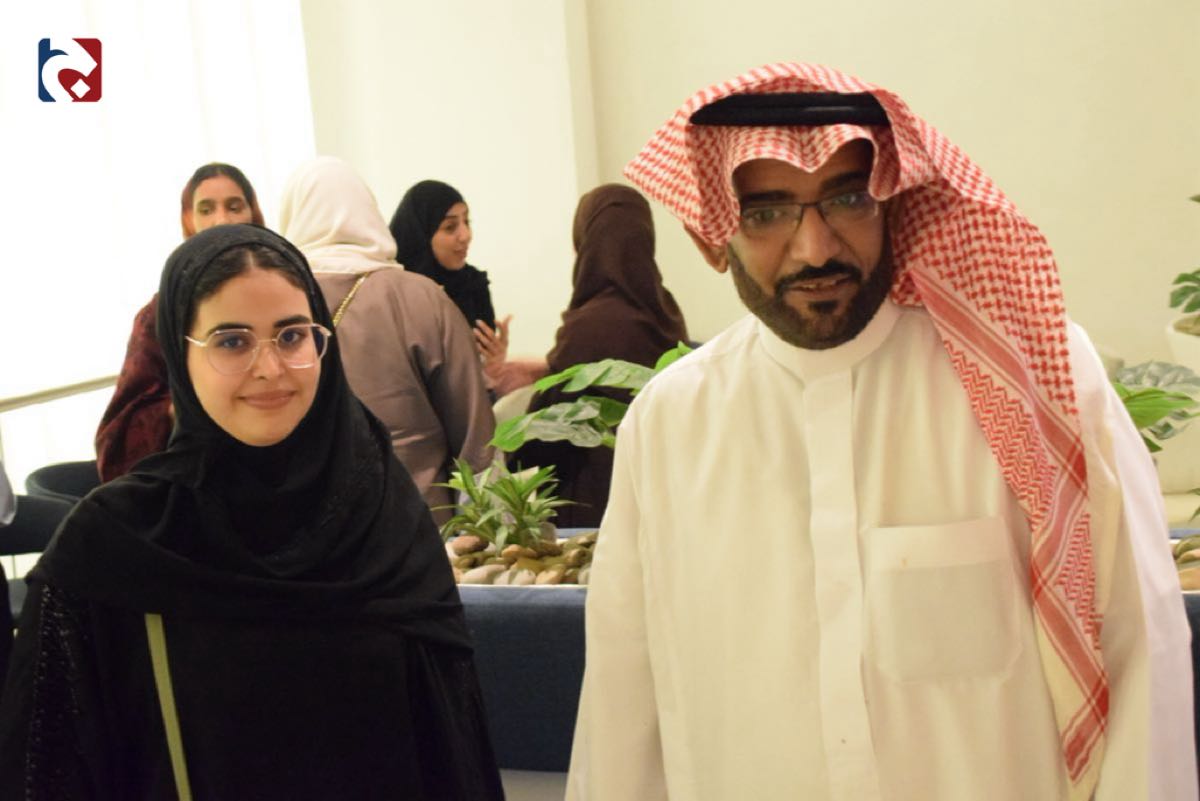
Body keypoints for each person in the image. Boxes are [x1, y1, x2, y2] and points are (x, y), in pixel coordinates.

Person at [566, 62, 1196, 800]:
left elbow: (1139, 649)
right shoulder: (671, 424)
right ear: (711, 234)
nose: (815, 248)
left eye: (848, 199)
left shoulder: (1027, 383)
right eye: (767, 213)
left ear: (895, 202)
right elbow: (624, 702)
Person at [0, 224, 504, 799]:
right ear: (180, 355)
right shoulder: (116, 545)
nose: (270, 368)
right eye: (232, 342)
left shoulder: (381, 508)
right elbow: (49, 769)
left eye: (292, 335)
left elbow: (452, 733)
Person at [279, 157, 495, 523]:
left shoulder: (275, 302)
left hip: (309, 521)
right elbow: (474, 434)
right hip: (419, 520)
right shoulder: (421, 297)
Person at [510, 184, 689, 527]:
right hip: (658, 496)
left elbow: (541, 434)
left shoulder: (591, 323)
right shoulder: (663, 312)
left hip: (595, 507)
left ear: (587, 242)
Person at [94, 162, 264, 482]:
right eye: (206, 209)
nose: (222, 220)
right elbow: (116, 444)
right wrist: (188, 406)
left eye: (234, 206)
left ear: (253, 214)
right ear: (189, 219)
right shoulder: (162, 313)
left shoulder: (284, 294)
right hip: (200, 482)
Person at [388, 180, 517, 388]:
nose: (466, 235)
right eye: (450, 227)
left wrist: (493, 366)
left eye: (467, 221)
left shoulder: (473, 285)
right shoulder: (394, 293)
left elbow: (478, 380)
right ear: (421, 234)